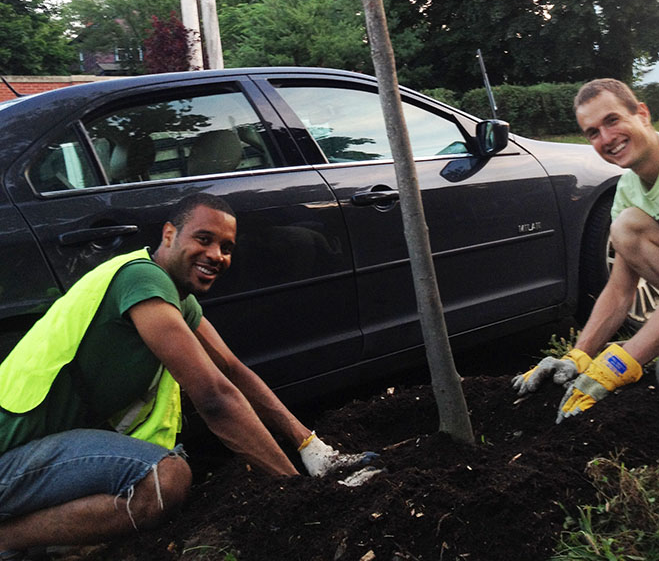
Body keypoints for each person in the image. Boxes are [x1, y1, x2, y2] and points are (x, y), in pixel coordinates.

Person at [0, 193, 378, 559]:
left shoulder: (178, 298)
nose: (216, 255)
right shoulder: (141, 280)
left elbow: (231, 369)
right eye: (204, 239)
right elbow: (214, 397)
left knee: (161, 478)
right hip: (9, 457)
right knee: (165, 480)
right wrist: (297, 492)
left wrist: (312, 449)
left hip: (36, 452)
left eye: (226, 247)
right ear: (169, 234)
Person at [512, 78, 659, 422]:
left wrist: (620, 365)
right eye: (592, 132)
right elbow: (620, 290)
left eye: (612, 120)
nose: (607, 138)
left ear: (642, 114)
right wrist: (579, 356)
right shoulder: (628, 191)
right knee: (626, 229)